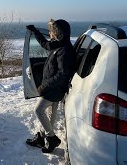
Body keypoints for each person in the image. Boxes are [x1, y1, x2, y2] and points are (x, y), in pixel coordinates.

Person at [25, 19, 76, 153]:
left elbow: (62, 74)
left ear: (58, 33)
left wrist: (44, 86)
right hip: (53, 87)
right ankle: (42, 138)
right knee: (51, 113)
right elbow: (45, 44)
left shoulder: (65, 50)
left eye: (52, 31)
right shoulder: (58, 45)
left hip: (54, 88)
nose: (49, 33)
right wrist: (35, 32)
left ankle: (51, 138)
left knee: (38, 110)